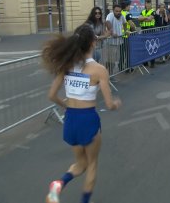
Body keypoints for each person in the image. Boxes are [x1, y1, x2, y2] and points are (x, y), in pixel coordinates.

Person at [42, 24, 122, 203]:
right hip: (88, 119)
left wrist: (67, 106)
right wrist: (116, 103)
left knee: (80, 164)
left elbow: (51, 95)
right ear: (94, 43)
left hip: (71, 119)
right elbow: (109, 104)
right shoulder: (99, 70)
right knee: (92, 164)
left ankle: (58, 184)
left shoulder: (67, 66)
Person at [105, 4, 128, 75]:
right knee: (110, 60)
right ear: (113, 11)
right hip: (111, 41)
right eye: (116, 11)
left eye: (119, 11)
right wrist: (112, 32)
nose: (118, 12)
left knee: (115, 59)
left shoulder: (122, 16)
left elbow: (125, 23)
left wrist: (126, 30)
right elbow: (108, 23)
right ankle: (109, 75)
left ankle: (111, 75)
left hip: (119, 41)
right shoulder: (110, 15)